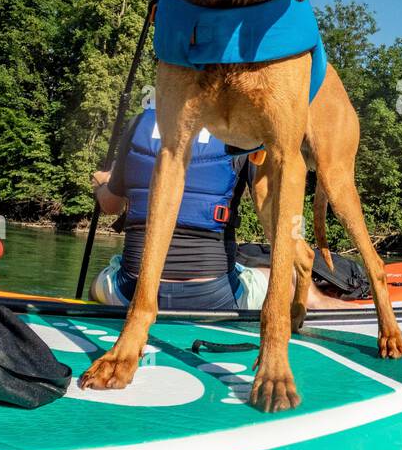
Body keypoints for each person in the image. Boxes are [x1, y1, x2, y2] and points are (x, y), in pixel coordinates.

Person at [89, 107, 353, 311]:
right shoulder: (242, 133)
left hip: (131, 292)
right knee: (281, 275)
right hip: (215, 296)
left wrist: (101, 183)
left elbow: (110, 205)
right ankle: (315, 301)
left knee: (98, 284)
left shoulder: (138, 124)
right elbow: (278, 208)